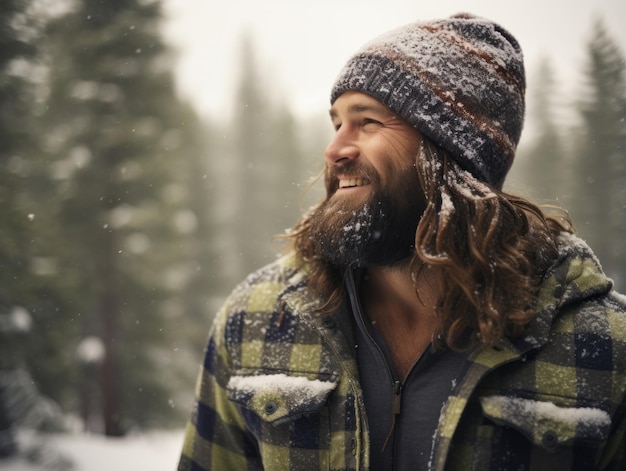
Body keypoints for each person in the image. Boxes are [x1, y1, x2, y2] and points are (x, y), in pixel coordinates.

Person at [178, 13, 626, 471]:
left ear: (451, 151)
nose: (335, 150)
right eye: (336, 124)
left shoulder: (603, 344)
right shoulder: (259, 318)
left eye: (366, 122)